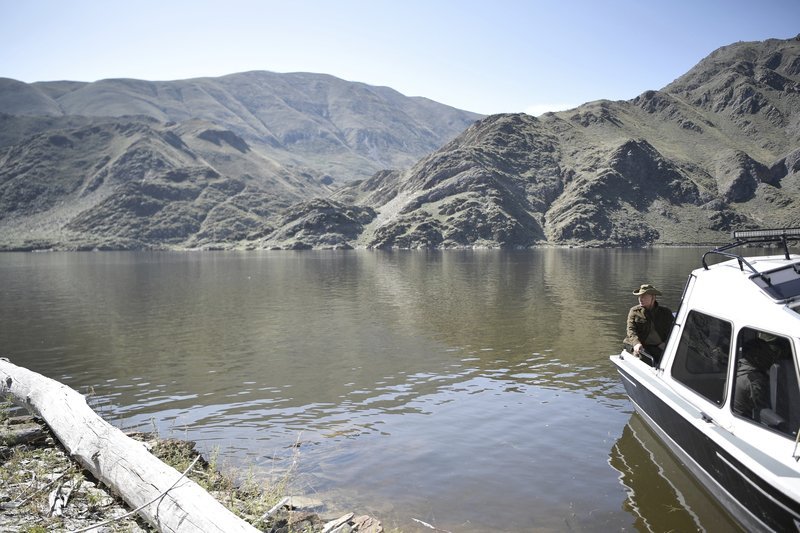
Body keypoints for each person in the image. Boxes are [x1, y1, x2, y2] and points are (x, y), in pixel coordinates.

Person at [624, 283, 673, 366]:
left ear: (653, 298)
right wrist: (636, 343)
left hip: (657, 346)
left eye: (644, 296)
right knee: (645, 360)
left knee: (668, 361)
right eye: (639, 296)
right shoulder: (634, 311)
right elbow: (631, 330)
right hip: (638, 345)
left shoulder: (665, 312)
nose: (640, 299)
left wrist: (665, 343)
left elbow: (674, 330)